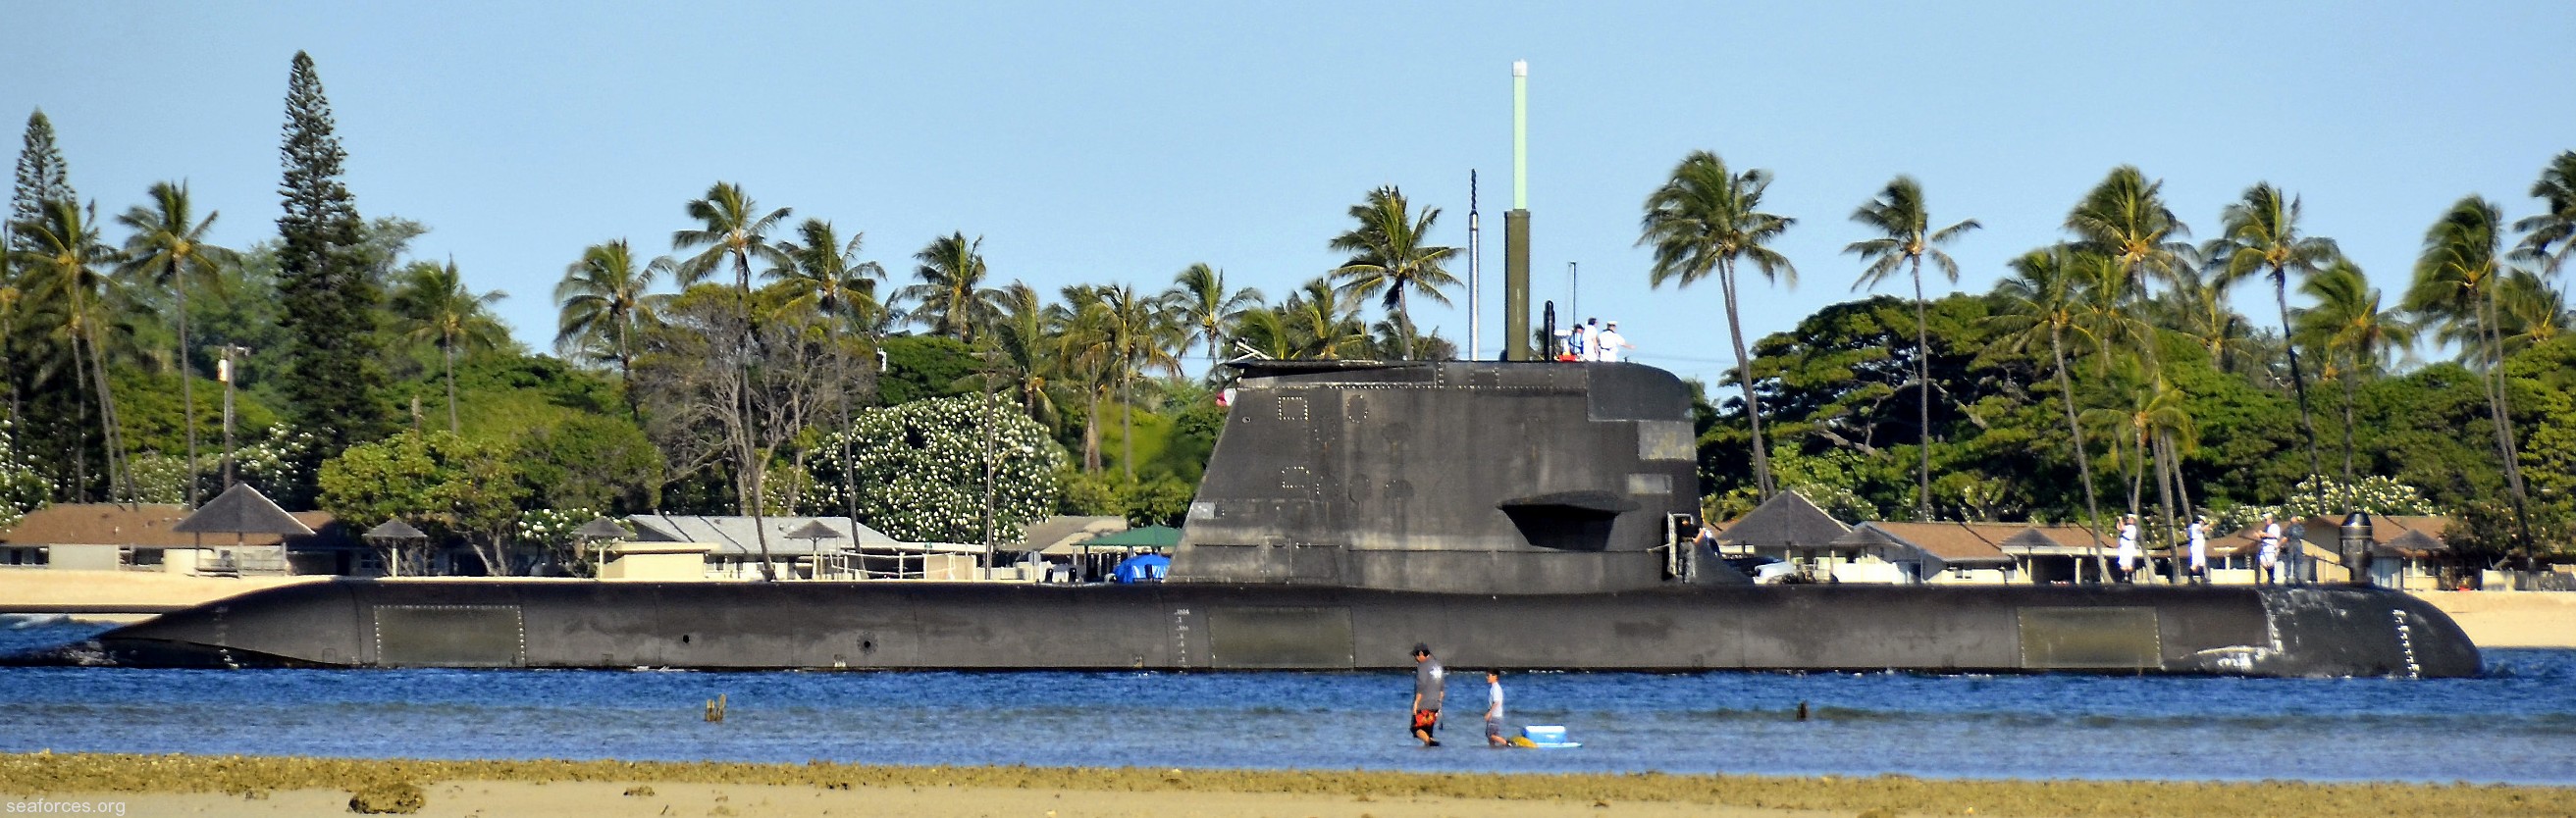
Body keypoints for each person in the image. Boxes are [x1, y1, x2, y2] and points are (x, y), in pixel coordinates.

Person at [1410, 643, 1445, 746]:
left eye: (1416, 656)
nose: (1416, 659)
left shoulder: (1423, 666)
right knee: (1428, 732)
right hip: (1435, 704)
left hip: (1424, 704)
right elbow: (1442, 690)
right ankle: (1430, 754)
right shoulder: (1438, 666)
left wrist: (1416, 704)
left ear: (1421, 654)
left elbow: (1421, 686)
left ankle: (1431, 744)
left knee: (1416, 729)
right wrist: (1439, 705)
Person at [1483, 669, 1507, 747]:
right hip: (1495, 715)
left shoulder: (1496, 688)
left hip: (1495, 716)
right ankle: (1493, 750)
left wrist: (1489, 713)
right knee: (1491, 736)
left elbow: (1496, 702)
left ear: (1495, 676)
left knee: (1490, 735)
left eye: (1488, 676)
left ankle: (1508, 743)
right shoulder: (1494, 687)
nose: (1487, 677)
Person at [2257, 514, 2284, 586]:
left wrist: (2264, 534)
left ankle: (2271, 578)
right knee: (2263, 562)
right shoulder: (2265, 528)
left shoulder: (2275, 527)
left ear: (2270, 519)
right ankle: (2270, 577)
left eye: (2266, 520)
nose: (2265, 522)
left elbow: (2274, 535)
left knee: (2270, 563)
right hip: (2264, 547)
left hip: (2271, 547)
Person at [2115, 514, 2141, 583]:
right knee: (2123, 562)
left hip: (2128, 546)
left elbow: (2123, 528)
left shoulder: (2132, 527)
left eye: (2130, 519)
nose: (2129, 520)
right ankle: (2124, 576)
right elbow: (2119, 528)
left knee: (2127, 563)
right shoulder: (2128, 526)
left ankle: (2128, 577)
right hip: (2124, 546)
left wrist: (2120, 520)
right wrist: (2118, 521)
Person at [2187, 516, 2210, 585]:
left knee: (2201, 562)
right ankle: (2190, 578)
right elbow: (2204, 529)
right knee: (2195, 563)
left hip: (2198, 545)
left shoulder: (2193, 527)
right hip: (2196, 545)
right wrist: (2211, 524)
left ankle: (2202, 577)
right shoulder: (2195, 526)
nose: (2202, 523)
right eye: (2202, 521)